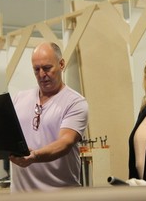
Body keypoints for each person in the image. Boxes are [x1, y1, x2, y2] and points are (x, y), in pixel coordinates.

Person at [9, 42, 89, 192]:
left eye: (47, 68)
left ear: (61, 64)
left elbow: (65, 142)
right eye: (36, 69)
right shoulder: (19, 98)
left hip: (60, 194)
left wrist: (35, 156)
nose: (41, 75)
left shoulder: (75, 102)